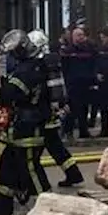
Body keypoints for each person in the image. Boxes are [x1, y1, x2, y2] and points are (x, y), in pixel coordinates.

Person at [0, 30, 52, 215]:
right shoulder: (28, 67)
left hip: (29, 128)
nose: (12, 56)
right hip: (19, 126)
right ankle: (2, 204)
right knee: (7, 164)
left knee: (30, 167)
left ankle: (47, 205)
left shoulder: (29, 70)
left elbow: (7, 95)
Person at [37, 30, 84, 188]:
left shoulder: (46, 62)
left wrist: (58, 106)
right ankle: (73, 174)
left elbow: (54, 87)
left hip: (45, 111)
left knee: (35, 150)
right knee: (55, 146)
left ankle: (41, 185)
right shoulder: (49, 61)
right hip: (48, 110)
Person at [61, 25, 97, 139]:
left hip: (86, 84)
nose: (81, 37)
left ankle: (84, 131)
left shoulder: (89, 50)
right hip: (73, 84)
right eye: (78, 35)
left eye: (82, 35)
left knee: (84, 109)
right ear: (73, 37)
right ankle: (68, 131)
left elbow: (93, 65)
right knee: (72, 109)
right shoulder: (68, 51)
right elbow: (64, 68)